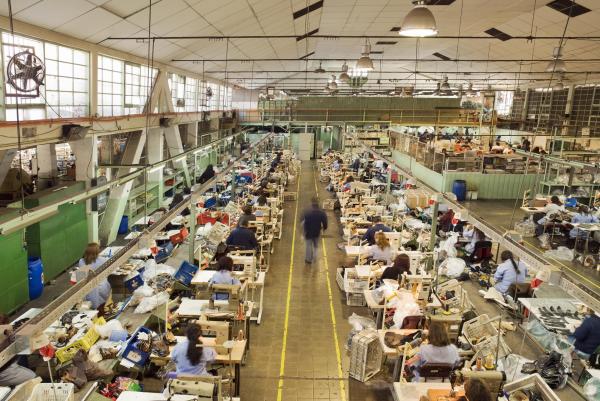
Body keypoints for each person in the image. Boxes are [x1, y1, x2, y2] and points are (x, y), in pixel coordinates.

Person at [0, 315, 37, 386]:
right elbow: (28, 349)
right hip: (4, 370)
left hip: (7, 364)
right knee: (33, 378)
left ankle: (21, 373)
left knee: (21, 354)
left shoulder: (6, 333)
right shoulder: (4, 334)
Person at [79, 243, 112, 310]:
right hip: (102, 287)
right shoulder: (102, 260)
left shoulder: (81, 261)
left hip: (87, 289)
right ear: (97, 252)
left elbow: (80, 277)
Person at [301, 197, 328, 264]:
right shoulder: (321, 213)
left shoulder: (307, 212)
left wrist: (304, 232)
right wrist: (324, 228)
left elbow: (304, 222)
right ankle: (315, 257)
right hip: (317, 232)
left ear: (312, 205)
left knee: (309, 246)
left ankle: (308, 260)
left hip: (308, 232)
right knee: (316, 246)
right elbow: (325, 222)